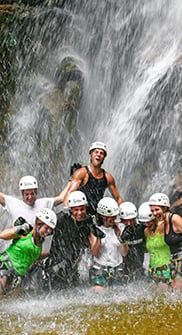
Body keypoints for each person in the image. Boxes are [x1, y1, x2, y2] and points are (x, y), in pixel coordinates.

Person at [44, 191, 104, 291]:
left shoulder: (88, 221)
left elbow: (95, 252)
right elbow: (41, 232)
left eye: (82, 209)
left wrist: (97, 236)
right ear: (70, 210)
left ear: (86, 208)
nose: (79, 213)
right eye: (76, 210)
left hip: (73, 268)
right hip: (55, 268)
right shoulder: (60, 220)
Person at [0, 175, 65, 253]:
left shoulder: (44, 203)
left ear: (36, 192)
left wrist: (73, 180)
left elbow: (62, 198)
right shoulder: (13, 203)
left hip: (35, 251)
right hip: (17, 249)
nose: (30, 197)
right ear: (22, 193)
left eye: (32, 193)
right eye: (27, 194)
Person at [0, 208, 57, 295]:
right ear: (38, 224)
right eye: (46, 228)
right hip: (5, 267)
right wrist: (18, 229)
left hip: (17, 277)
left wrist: (51, 253)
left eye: (50, 229)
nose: (48, 231)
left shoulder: (40, 242)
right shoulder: (27, 231)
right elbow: (3, 235)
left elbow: (33, 255)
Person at [63, 141, 124, 215]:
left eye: (101, 153)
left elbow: (118, 198)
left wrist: (125, 211)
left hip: (96, 214)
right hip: (81, 213)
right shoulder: (81, 173)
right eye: (96, 152)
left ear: (104, 157)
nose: (98, 155)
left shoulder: (108, 177)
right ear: (91, 154)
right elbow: (69, 192)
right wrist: (66, 210)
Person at [89, 197, 128, 290]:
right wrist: (99, 237)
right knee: (99, 293)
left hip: (117, 269)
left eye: (115, 216)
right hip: (100, 268)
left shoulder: (121, 227)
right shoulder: (95, 229)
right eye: (111, 217)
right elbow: (95, 253)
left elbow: (124, 253)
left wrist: (123, 240)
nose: (114, 219)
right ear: (102, 216)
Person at [148, 192, 182, 289]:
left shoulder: (175, 219)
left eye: (157, 210)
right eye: (152, 211)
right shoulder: (162, 223)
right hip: (174, 260)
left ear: (165, 208)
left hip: (180, 259)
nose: (154, 213)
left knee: (176, 287)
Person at [138, 202, 171, 287]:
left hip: (166, 270)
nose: (147, 224)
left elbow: (168, 216)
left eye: (149, 222)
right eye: (144, 222)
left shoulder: (163, 227)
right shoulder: (146, 231)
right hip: (152, 270)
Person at [119, 201, 145, 281]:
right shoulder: (117, 229)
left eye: (132, 220)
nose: (129, 224)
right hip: (122, 271)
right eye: (126, 221)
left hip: (139, 269)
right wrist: (122, 239)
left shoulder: (141, 228)